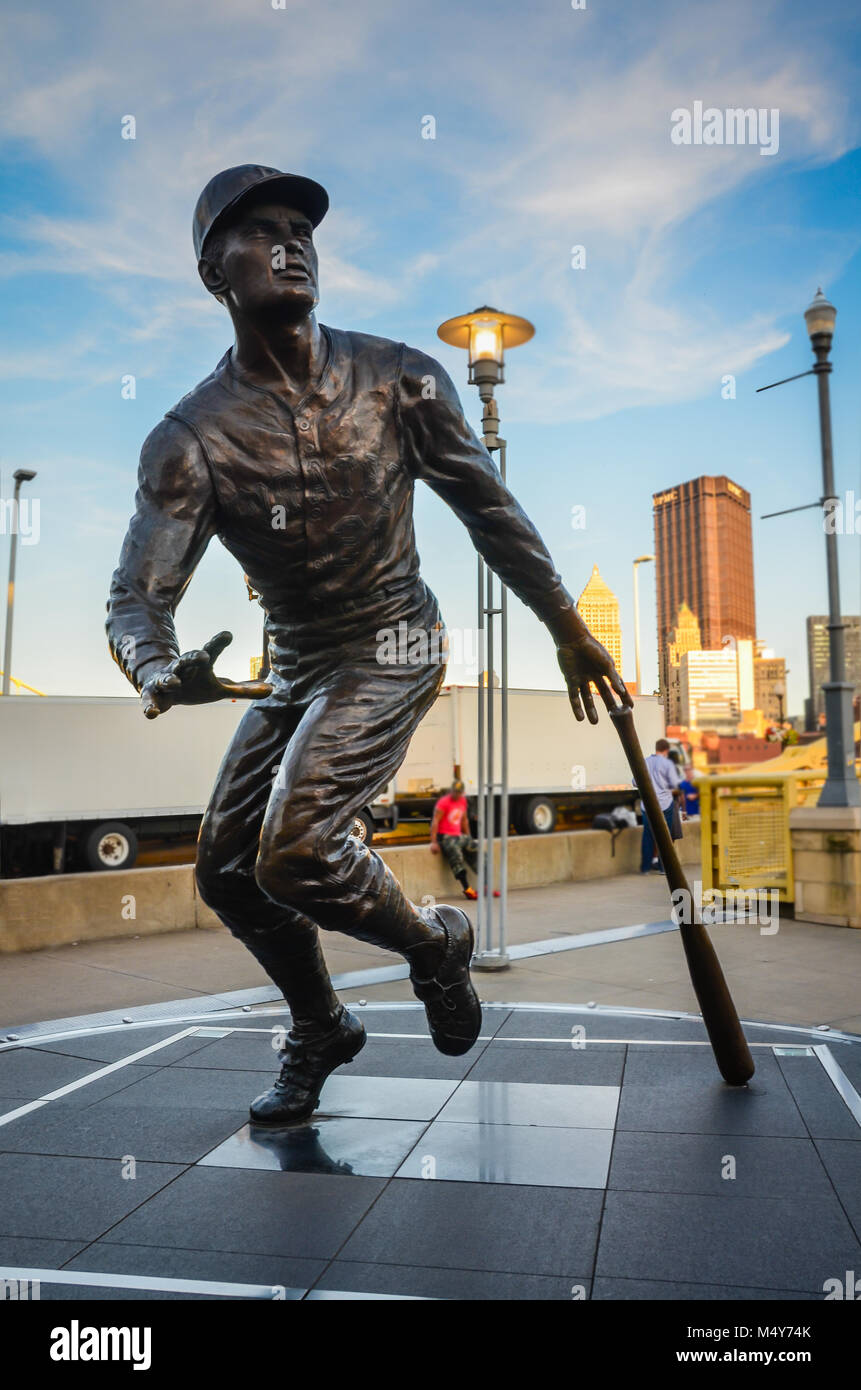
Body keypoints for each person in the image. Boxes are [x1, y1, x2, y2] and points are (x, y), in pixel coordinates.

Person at [105, 164, 631, 1126]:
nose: (291, 241)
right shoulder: (188, 438)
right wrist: (156, 666)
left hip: (393, 637)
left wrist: (568, 629)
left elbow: (491, 512)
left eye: (301, 227)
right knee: (226, 871)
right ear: (215, 273)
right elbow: (137, 597)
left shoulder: (401, 378)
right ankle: (326, 1024)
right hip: (295, 663)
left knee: (295, 847)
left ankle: (432, 943)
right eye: (260, 230)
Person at [430, 779, 481, 900]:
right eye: (454, 792)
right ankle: (467, 888)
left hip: (458, 835)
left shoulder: (462, 801)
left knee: (476, 849)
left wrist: (468, 838)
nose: (456, 794)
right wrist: (434, 842)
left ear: (462, 792)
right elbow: (435, 821)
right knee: (455, 853)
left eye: (458, 792)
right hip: (445, 836)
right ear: (451, 791)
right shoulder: (443, 803)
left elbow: (464, 820)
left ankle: (485, 883)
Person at [639, 738, 682, 873]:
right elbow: (675, 784)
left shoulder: (644, 762)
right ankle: (663, 868)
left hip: (647, 805)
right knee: (665, 837)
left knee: (647, 836)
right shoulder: (667, 764)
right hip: (665, 804)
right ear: (666, 750)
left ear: (656, 748)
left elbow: (635, 781)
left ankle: (645, 868)